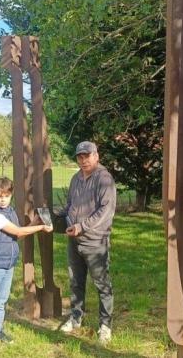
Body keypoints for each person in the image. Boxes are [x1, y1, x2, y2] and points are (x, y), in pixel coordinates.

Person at [0, 177, 53, 356]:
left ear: (11, 195)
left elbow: (17, 236)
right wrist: (40, 229)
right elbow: (17, 231)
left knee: (1, 301)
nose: (2, 199)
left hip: (8, 264)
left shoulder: (10, 212)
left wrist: (37, 222)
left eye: (6, 195)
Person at [59, 141, 116, 345]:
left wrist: (82, 226)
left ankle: (105, 326)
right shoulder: (75, 179)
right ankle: (75, 318)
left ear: (96, 155)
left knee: (102, 284)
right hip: (74, 240)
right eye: (80, 157)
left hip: (95, 241)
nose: (83, 160)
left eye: (87, 156)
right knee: (76, 281)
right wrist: (50, 216)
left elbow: (105, 211)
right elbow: (70, 207)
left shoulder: (104, 178)